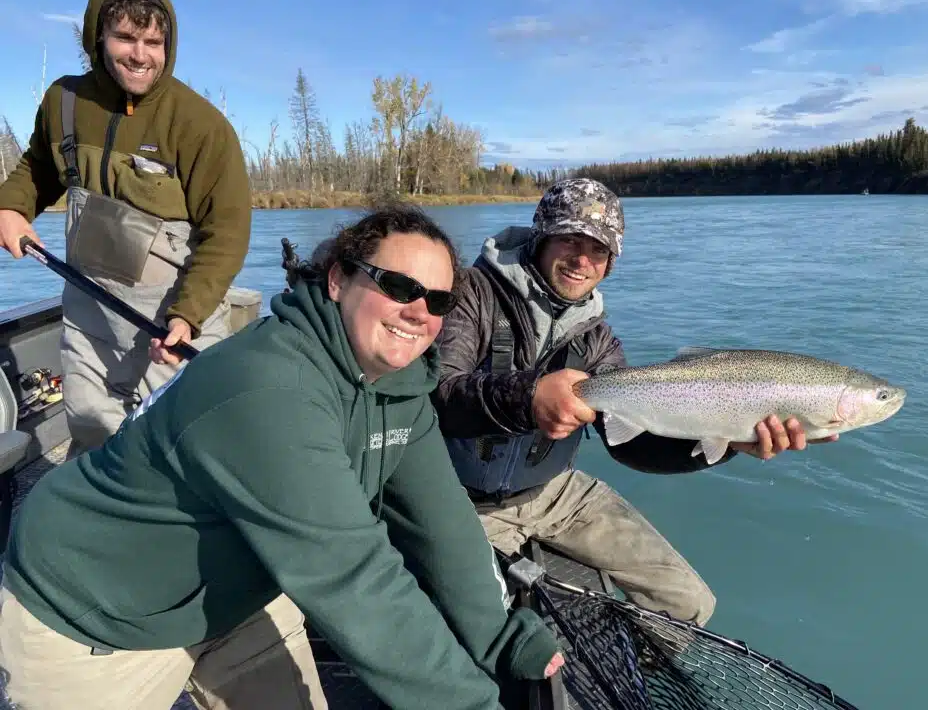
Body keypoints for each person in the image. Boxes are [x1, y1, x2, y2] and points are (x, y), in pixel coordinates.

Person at [0, 206, 562, 710]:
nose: (418, 311)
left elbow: (444, 529)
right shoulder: (270, 389)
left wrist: (504, 639)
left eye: (438, 300)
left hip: (230, 596)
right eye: (397, 285)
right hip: (91, 613)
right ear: (339, 280)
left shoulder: (399, 387)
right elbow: (358, 582)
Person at [431, 177, 839, 627]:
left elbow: (629, 446)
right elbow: (440, 391)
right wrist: (528, 397)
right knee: (485, 625)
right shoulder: (468, 293)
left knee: (688, 603)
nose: (582, 261)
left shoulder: (598, 340)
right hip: (455, 499)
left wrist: (729, 444)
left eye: (599, 250)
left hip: (557, 495)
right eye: (570, 240)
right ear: (540, 237)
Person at [0, 0, 252, 455]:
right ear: (99, 36)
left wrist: (188, 316)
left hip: (173, 317)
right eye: (126, 37)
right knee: (92, 428)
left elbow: (227, 232)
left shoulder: (201, 125)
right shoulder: (63, 102)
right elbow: (37, 169)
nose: (140, 54)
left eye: (153, 42)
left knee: (186, 443)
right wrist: (12, 207)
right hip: (88, 308)